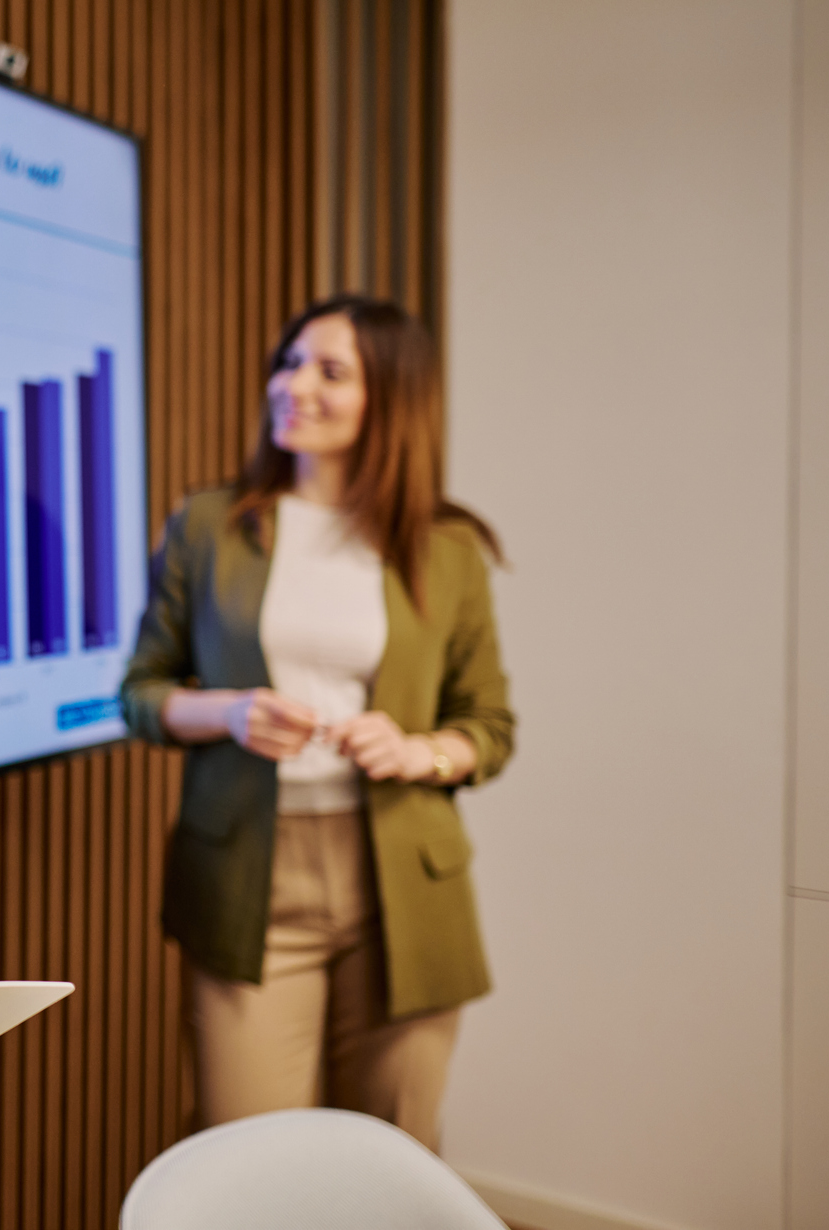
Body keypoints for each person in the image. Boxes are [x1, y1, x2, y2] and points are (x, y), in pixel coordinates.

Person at [121, 296, 513, 1151]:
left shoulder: (446, 549)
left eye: (330, 371)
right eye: (290, 363)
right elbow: (140, 695)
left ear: (391, 397)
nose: (294, 385)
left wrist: (419, 750)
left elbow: (488, 725)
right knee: (248, 1163)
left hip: (404, 888)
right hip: (252, 880)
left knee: (392, 1163)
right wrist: (228, 711)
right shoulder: (209, 527)